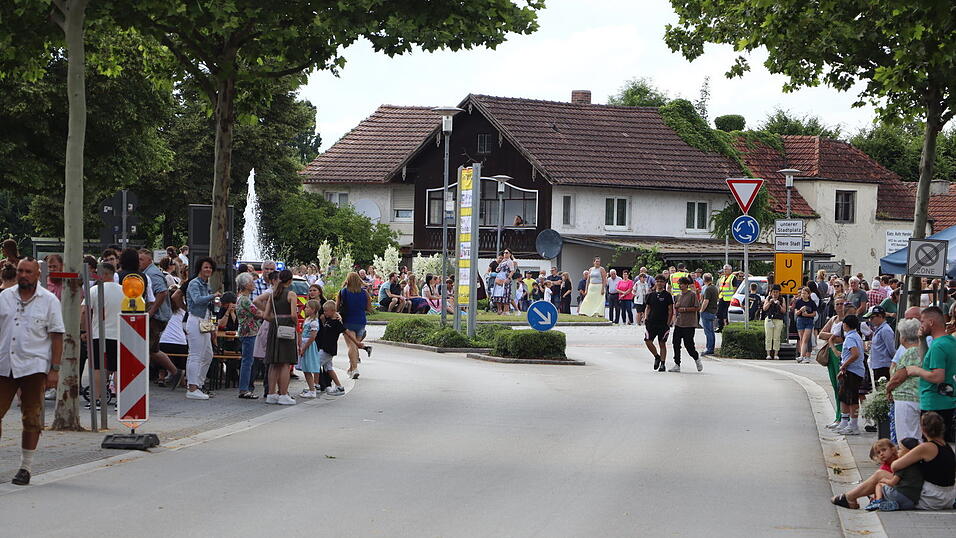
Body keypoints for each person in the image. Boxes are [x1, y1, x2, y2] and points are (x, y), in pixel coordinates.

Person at [0, 258, 65, 486]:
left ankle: (25, 467)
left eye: (28, 271)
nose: (24, 275)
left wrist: (54, 370)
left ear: (38, 274)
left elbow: (57, 335)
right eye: (20, 271)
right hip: (4, 365)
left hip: (34, 367)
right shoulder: (4, 297)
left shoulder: (48, 301)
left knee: (32, 416)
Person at [892, 306, 956, 443]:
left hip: (935, 402)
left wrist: (916, 370)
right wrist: (921, 339)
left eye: (922, 321)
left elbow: (938, 377)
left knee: (933, 445)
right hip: (943, 400)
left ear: (931, 322)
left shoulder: (938, 346)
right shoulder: (949, 341)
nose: (919, 325)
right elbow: (926, 360)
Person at [890, 412, 955, 510]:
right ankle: (858, 496)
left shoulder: (926, 447)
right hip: (949, 497)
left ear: (923, 429)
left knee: (880, 475)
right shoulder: (948, 447)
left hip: (932, 498)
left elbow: (895, 466)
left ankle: (862, 497)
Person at [80, 263, 124, 404]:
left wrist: (84, 330)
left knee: (98, 367)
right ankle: (119, 401)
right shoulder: (124, 291)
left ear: (103, 274)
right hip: (119, 334)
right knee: (117, 368)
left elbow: (84, 311)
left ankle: (97, 399)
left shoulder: (94, 290)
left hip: (98, 334)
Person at [138, 249, 180, 387]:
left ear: (150, 260)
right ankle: (175, 372)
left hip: (156, 318)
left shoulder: (152, 274)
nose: (139, 262)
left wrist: (151, 312)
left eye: (142, 259)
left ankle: (139, 380)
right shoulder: (148, 272)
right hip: (158, 317)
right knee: (153, 350)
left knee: (145, 349)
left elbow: (162, 292)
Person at [830, 438, 903, 510]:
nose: (881, 454)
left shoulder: (899, 459)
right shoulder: (885, 466)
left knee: (879, 476)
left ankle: (850, 497)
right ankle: (871, 500)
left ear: (893, 449)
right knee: (879, 480)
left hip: (903, 489)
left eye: (884, 450)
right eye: (878, 453)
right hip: (896, 488)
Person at [263, 270, 298, 405]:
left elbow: (266, 315)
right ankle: (283, 394)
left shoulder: (272, 295)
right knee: (285, 362)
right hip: (287, 329)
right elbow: (294, 315)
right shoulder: (291, 294)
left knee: (274, 362)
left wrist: (277, 320)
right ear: (290, 280)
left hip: (274, 327)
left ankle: (271, 394)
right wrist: (293, 323)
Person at [886, 318, 924, 441]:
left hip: (907, 398)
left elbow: (899, 377)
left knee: (907, 436)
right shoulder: (921, 349)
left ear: (904, 337)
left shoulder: (911, 352)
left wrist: (888, 387)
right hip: (916, 397)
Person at [337, 271, 374, 380]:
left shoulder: (343, 292)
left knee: (351, 346)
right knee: (355, 345)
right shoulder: (364, 293)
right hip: (361, 321)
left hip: (348, 321)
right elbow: (369, 308)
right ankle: (351, 368)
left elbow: (337, 307)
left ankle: (354, 369)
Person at [836, 314, 865, 435]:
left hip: (853, 371)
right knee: (844, 395)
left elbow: (855, 354)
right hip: (851, 370)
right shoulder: (855, 336)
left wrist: (844, 365)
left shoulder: (850, 338)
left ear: (846, 325)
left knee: (852, 398)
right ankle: (844, 421)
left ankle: (853, 424)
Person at [234, 273, 260, 399]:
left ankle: (245, 388)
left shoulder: (241, 298)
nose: (253, 283)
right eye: (251, 282)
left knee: (247, 360)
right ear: (245, 285)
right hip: (249, 332)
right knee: (248, 361)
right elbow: (257, 312)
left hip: (246, 331)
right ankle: (244, 389)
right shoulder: (244, 299)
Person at [670, 277, 702, 373]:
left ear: (686, 285)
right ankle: (677, 364)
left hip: (689, 323)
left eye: (682, 284)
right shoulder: (678, 295)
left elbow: (697, 307)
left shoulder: (692, 295)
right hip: (679, 323)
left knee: (689, 345)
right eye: (679, 284)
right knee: (675, 343)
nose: (680, 285)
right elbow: (676, 306)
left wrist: (685, 309)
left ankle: (696, 358)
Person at [644, 276, 673, 372]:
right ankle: (657, 356)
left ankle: (663, 364)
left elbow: (670, 310)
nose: (659, 283)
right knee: (648, 341)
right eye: (658, 281)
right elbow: (648, 307)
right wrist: (646, 318)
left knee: (662, 343)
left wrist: (668, 322)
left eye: (661, 281)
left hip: (663, 323)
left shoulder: (667, 295)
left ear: (664, 283)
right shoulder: (650, 295)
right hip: (651, 322)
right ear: (655, 282)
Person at [318, 300, 346, 396]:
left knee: (315, 364)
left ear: (333, 311)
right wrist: (323, 321)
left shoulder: (337, 323)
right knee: (328, 368)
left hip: (328, 349)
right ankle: (339, 386)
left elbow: (346, 332)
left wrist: (357, 343)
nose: (324, 313)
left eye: (326, 311)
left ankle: (315, 385)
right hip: (325, 347)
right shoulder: (328, 320)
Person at [296, 300, 323, 398]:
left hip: (308, 346)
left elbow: (312, 337)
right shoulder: (307, 320)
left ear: (313, 309)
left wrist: (303, 347)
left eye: (307, 307)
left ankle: (312, 390)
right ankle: (311, 388)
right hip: (303, 344)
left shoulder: (314, 322)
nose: (305, 309)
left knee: (308, 368)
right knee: (305, 369)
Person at [864, 305, 895, 384]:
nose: (870, 320)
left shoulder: (886, 330)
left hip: (884, 366)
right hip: (878, 365)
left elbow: (891, 349)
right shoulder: (879, 329)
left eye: (872, 318)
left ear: (880, 316)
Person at [793, 287, 818, 363]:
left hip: (809, 321)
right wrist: (801, 310)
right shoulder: (798, 302)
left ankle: (803, 356)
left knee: (805, 339)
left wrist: (807, 315)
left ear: (808, 294)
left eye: (804, 293)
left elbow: (814, 313)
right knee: (801, 338)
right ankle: (802, 355)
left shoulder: (811, 302)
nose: (803, 295)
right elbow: (796, 313)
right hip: (800, 320)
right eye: (802, 293)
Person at [763, 285, 786, 360]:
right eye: (773, 292)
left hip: (778, 319)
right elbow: (764, 308)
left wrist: (779, 305)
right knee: (768, 336)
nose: (775, 294)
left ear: (779, 292)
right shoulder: (768, 298)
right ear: (771, 292)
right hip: (769, 319)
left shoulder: (782, 299)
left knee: (777, 337)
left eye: (777, 292)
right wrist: (770, 303)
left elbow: (784, 310)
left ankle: (776, 354)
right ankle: (768, 354)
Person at [699, 273, 718, 356]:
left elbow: (706, 301)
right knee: (711, 331)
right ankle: (711, 348)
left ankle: (709, 349)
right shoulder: (715, 288)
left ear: (704, 280)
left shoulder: (708, 289)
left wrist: (701, 310)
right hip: (713, 311)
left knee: (708, 332)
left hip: (707, 311)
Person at [716, 264, 738, 332]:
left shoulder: (733, 277)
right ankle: (720, 326)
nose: (725, 271)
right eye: (724, 269)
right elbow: (720, 288)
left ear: (730, 270)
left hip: (729, 299)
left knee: (726, 314)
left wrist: (733, 297)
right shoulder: (722, 278)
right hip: (722, 297)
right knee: (720, 313)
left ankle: (727, 327)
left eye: (726, 269)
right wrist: (717, 296)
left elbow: (735, 288)